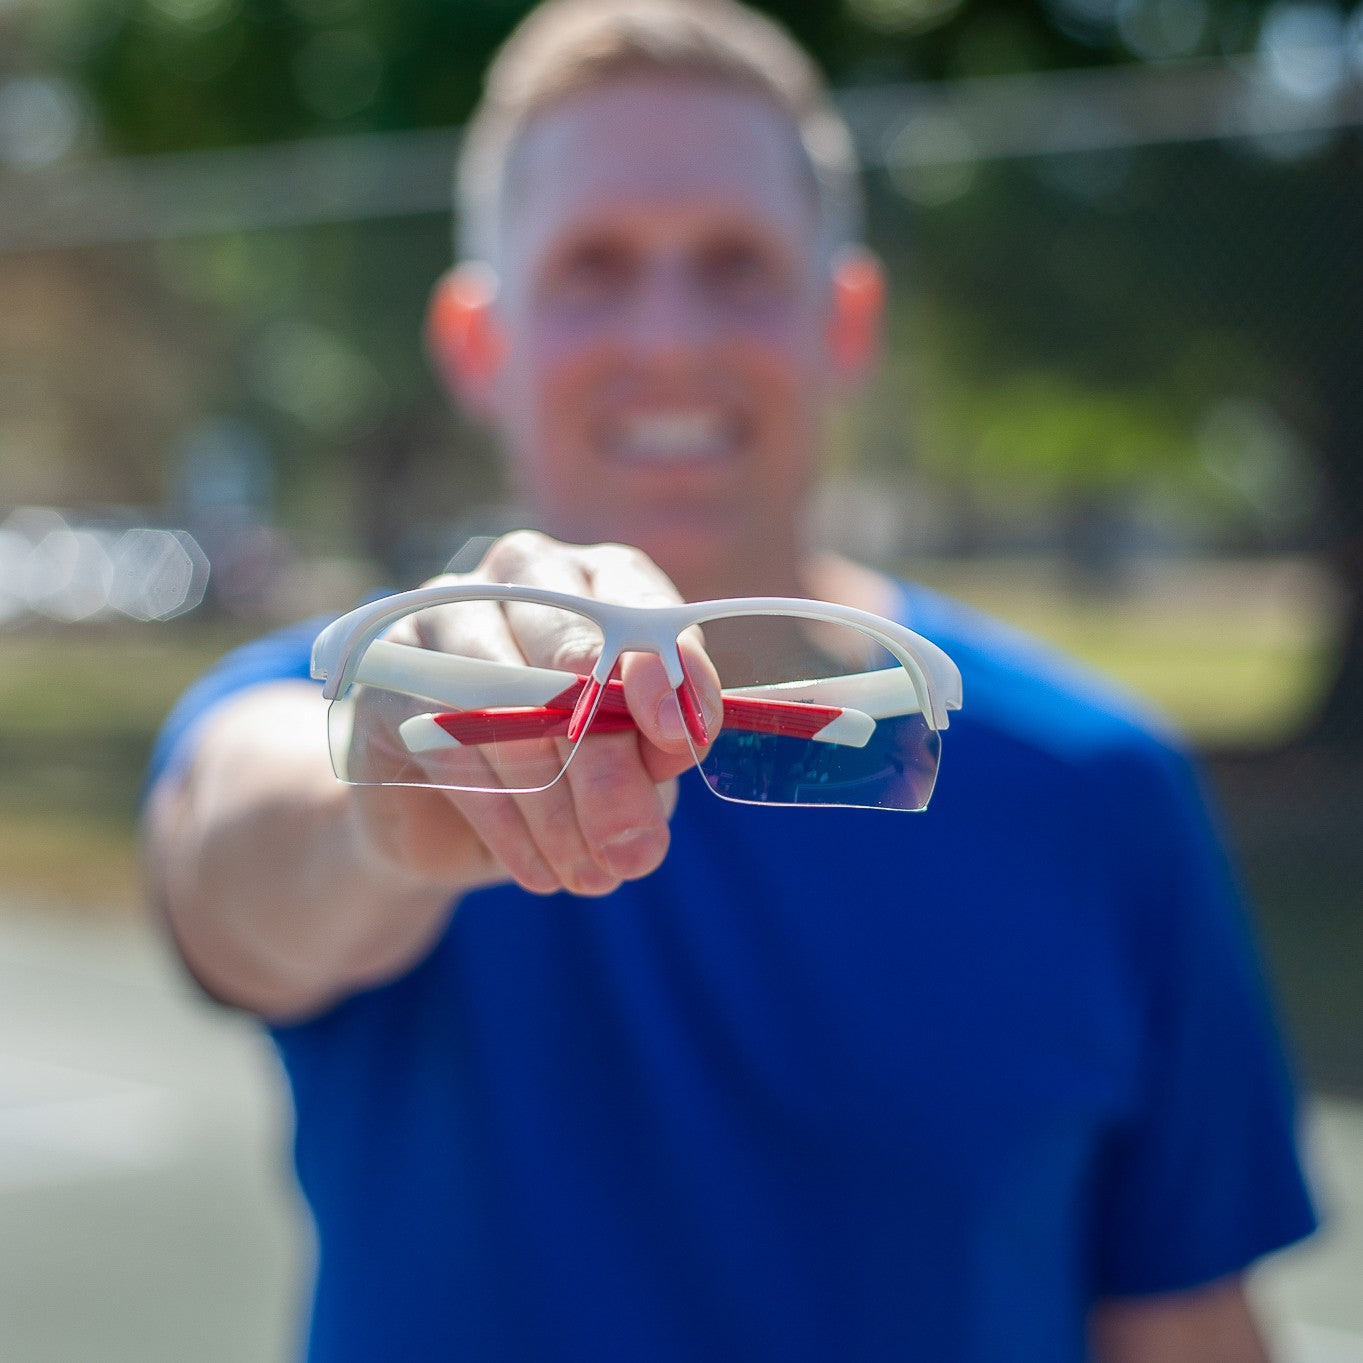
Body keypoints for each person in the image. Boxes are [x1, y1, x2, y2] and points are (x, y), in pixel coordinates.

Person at [142, 1, 1316, 1359]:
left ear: (847, 319)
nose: (671, 336)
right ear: (479, 342)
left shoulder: (1099, 787)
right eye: (593, 265)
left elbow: (1183, 1322)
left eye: (736, 262)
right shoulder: (366, 699)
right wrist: (384, 809)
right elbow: (237, 853)